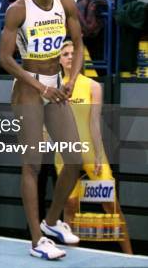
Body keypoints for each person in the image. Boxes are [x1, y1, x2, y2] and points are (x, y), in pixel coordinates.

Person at [0, 0, 83, 260]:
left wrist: (71, 79)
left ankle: (51, 222)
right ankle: (36, 240)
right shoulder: (18, 9)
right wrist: (39, 86)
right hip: (29, 89)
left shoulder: (67, 4)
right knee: (32, 165)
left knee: (74, 158)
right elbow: (6, 59)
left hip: (56, 83)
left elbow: (79, 43)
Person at [57, 40, 133, 254]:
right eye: (65, 54)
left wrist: (99, 155)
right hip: (64, 154)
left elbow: (94, 123)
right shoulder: (53, 87)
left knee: (111, 205)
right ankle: (71, 257)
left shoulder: (92, 86)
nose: (70, 57)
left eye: (73, 53)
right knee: (69, 207)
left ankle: (130, 256)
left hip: (90, 150)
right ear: (59, 60)